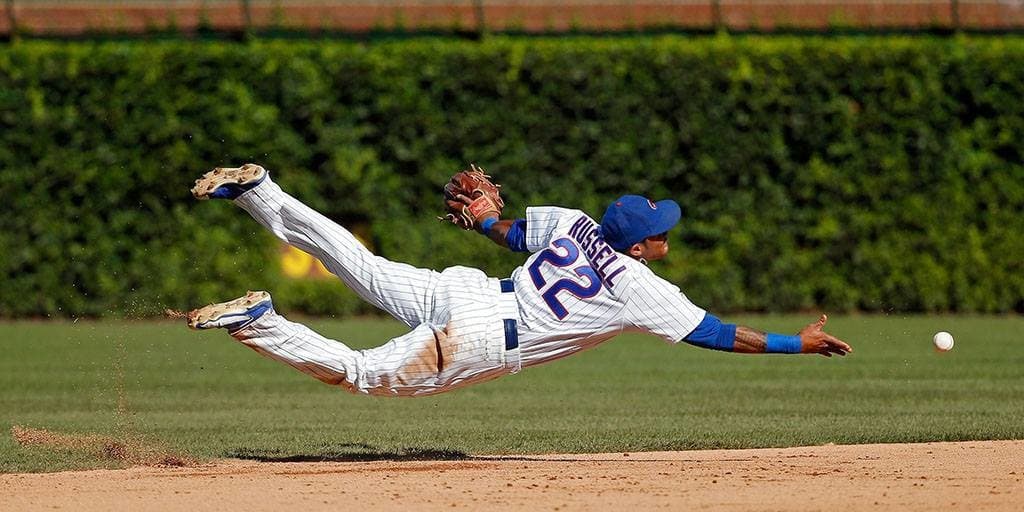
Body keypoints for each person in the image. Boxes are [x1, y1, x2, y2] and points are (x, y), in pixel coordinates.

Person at [186, 164, 852, 397]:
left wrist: (483, 224)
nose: (666, 237)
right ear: (639, 243)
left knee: (357, 264)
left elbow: (510, 233)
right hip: (481, 337)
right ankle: (260, 323)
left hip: (469, 289)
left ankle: (261, 193)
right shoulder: (639, 287)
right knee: (364, 374)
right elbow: (711, 333)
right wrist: (799, 344)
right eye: (658, 231)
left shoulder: (575, 223)